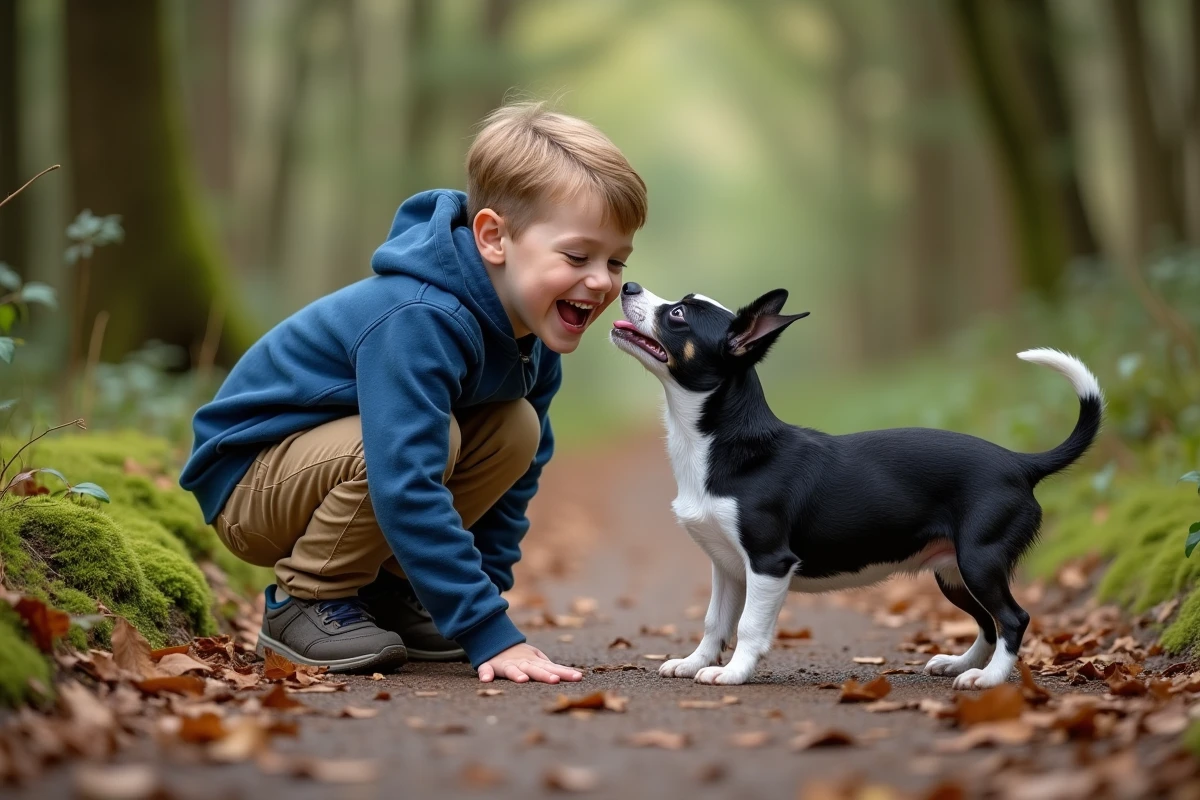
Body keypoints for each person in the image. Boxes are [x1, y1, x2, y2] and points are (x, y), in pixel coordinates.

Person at [179, 101, 647, 684]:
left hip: (334, 471)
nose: (601, 281)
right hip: (251, 483)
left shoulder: (533, 337)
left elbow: (514, 484)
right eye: (578, 256)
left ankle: (397, 596)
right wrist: (487, 632)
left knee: (516, 428)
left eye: (616, 261)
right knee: (431, 442)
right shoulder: (419, 318)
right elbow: (405, 476)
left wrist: (480, 597)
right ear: (494, 238)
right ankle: (304, 602)